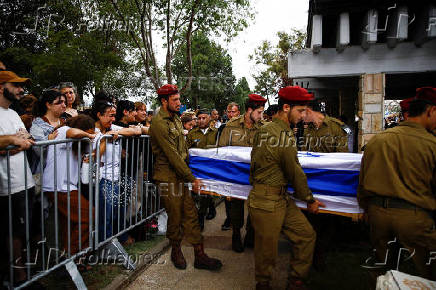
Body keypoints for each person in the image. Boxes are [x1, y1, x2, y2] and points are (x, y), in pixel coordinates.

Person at [249, 86, 325, 290]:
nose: (302, 116)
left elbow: (255, 162)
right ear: (285, 107)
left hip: (280, 198)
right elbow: (294, 171)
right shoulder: (280, 134)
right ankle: (263, 284)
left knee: (306, 235)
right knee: (267, 250)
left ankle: (295, 280)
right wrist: (309, 199)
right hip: (267, 200)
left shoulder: (270, 130)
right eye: (300, 111)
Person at [358, 87, 436, 282]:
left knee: (380, 269)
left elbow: (363, 180)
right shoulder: (431, 144)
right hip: (414, 217)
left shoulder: (377, 141)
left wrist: (366, 208)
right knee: (426, 274)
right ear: (431, 111)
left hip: (378, 216)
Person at [149, 84, 222, 271]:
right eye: (175, 100)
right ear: (164, 101)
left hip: (180, 176)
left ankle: (200, 255)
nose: (179, 103)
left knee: (191, 214)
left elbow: (183, 151)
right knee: (175, 216)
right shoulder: (159, 123)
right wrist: (192, 178)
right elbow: (172, 155)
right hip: (167, 177)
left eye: (179, 99)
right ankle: (176, 251)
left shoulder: (176, 120)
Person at [0, 70, 35, 285]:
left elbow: (28, 138)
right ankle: (18, 277)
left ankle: (24, 273)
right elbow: (16, 142)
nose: (21, 90)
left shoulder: (12, 113)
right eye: (16, 86)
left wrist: (14, 142)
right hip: (7, 186)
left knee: (23, 232)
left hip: (25, 182)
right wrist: (13, 141)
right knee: (11, 234)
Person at [218, 94, 266, 253]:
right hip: (236, 175)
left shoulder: (263, 128)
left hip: (256, 175)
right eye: (259, 112)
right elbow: (222, 150)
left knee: (255, 205)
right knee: (235, 206)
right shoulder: (231, 126)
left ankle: (251, 233)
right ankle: (236, 233)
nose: (261, 116)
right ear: (250, 110)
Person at [43, 115, 96, 256]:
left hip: (67, 186)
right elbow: (74, 133)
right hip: (58, 186)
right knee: (89, 215)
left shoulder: (79, 142)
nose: (90, 136)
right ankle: (72, 254)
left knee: (70, 223)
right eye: (88, 132)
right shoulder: (63, 130)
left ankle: (74, 256)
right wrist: (88, 135)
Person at [93, 100, 140, 245]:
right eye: (110, 115)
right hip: (101, 178)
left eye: (114, 115)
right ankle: (104, 245)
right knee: (104, 216)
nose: (113, 119)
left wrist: (117, 132)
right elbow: (94, 155)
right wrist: (105, 139)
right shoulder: (92, 131)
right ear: (99, 115)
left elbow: (136, 131)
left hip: (115, 177)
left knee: (112, 213)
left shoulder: (113, 127)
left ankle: (112, 241)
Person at [187, 109, 218, 230]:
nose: (201, 121)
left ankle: (203, 213)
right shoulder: (192, 134)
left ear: (209, 118)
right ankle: (201, 216)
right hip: (197, 169)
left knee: (206, 191)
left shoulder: (216, 133)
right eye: (199, 118)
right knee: (199, 192)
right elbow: (187, 150)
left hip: (211, 168)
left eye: (204, 118)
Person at [30, 89, 67, 171]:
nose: (64, 105)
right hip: (45, 172)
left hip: (64, 171)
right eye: (59, 102)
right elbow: (38, 150)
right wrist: (48, 139)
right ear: (48, 105)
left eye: (64, 102)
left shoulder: (66, 122)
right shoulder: (37, 124)